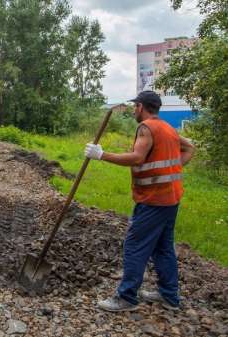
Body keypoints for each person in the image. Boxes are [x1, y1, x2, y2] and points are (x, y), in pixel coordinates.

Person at [84, 91, 195, 312]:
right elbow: (191, 147)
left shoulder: (146, 128)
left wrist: (102, 155)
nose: (134, 110)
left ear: (142, 107)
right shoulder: (169, 128)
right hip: (171, 198)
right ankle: (169, 295)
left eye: (136, 106)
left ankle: (126, 297)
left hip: (154, 200)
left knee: (135, 246)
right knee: (163, 247)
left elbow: (137, 157)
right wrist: (172, 169)